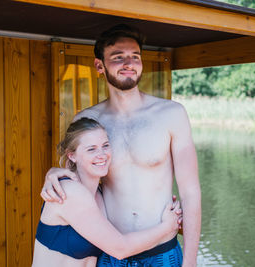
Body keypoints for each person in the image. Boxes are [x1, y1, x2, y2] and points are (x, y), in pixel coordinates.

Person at [41, 24, 201, 267]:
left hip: (163, 252)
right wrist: (53, 173)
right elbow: (78, 182)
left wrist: (190, 261)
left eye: (135, 57)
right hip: (111, 253)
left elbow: (190, 192)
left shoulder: (172, 114)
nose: (129, 63)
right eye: (118, 58)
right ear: (99, 66)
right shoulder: (88, 121)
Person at [32, 117, 182, 267]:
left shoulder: (99, 193)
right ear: (72, 155)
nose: (102, 154)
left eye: (105, 146)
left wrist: (171, 211)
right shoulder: (69, 192)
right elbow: (121, 249)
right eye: (91, 149)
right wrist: (167, 226)